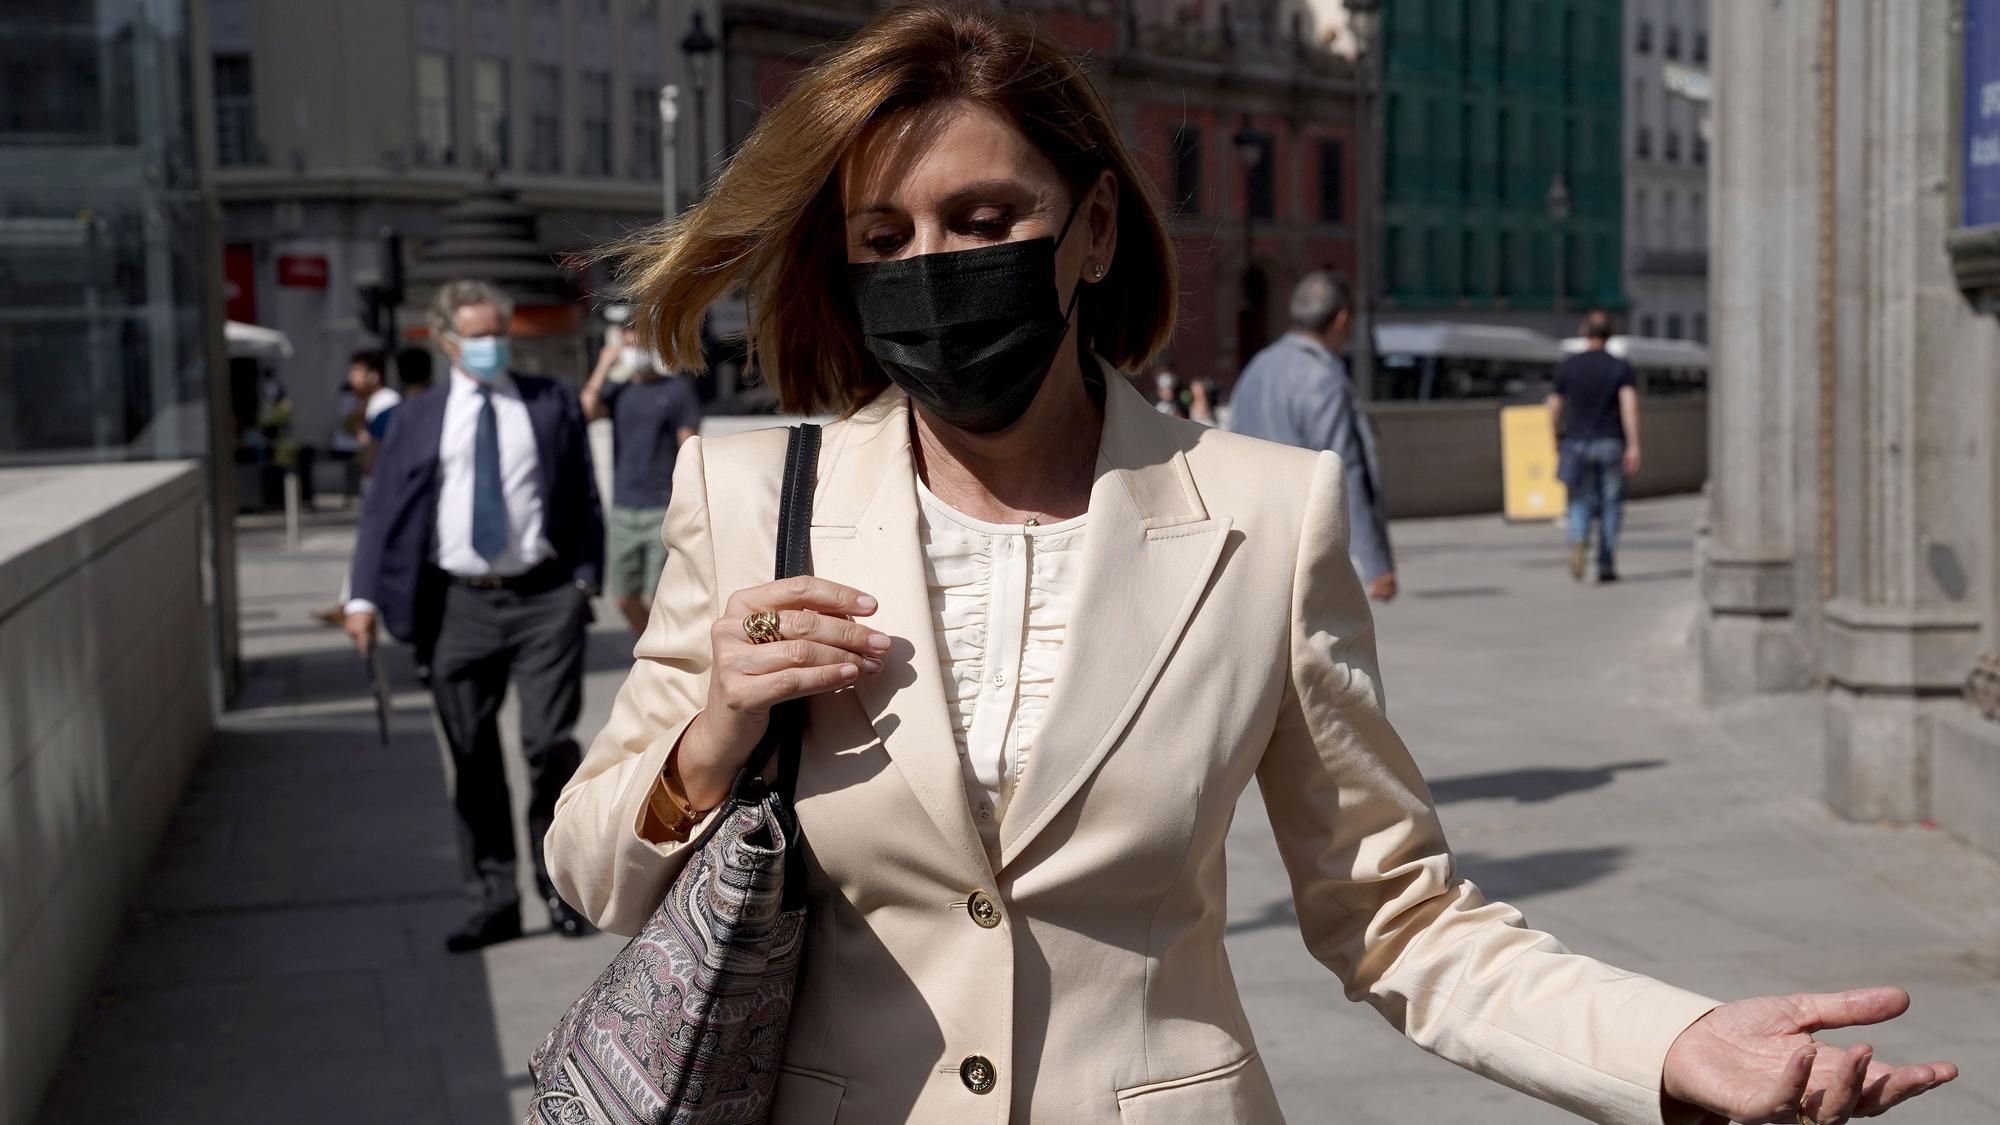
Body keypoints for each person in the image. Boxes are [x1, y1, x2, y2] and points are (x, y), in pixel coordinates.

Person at [545, 6, 1956, 1123]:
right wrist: (714, 730)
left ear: (1092, 230)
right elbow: (596, 873)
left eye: (983, 223)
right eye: (884, 239)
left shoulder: (1266, 515)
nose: (933, 268)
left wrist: (1671, 1041)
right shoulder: (746, 493)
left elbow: (1394, 915)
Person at [345, 279, 605, 952]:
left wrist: (584, 580)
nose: (490, 345)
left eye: (498, 332)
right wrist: (362, 597)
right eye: (477, 335)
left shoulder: (548, 403)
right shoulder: (416, 418)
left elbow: (581, 491)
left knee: (548, 747)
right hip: (455, 605)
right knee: (473, 757)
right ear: (445, 340)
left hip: (544, 598)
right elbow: (383, 513)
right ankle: (493, 900)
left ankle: (559, 888)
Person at [1229, 271, 1396, 601]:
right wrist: (1377, 564)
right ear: (1341, 320)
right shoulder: (1323, 379)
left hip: (1250, 544)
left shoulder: (1256, 368)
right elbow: (1343, 470)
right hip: (1305, 550)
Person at [580, 337, 702, 635]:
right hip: (623, 508)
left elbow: (689, 449)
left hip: (661, 507)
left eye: (641, 344)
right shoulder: (618, 391)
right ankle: (652, 650)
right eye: (629, 345)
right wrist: (603, 366)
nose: (636, 352)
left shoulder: (677, 390)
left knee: (661, 595)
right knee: (624, 598)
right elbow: (584, 413)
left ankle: (667, 654)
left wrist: (686, 502)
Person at [312, 350, 405, 627]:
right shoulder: (374, 403)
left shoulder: (387, 403)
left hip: (384, 487)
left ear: (374, 375)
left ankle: (353, 605)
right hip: (380, 486)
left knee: (374, 544)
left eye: (356, 372)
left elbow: (375, 453)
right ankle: (350, 603)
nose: (351, 378)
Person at [1548, 309, 1641, 583]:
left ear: (1583, 333)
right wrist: (1634, 445)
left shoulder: (1568, 366)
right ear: (1610, 335)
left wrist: (1556, 437)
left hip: (1576, 442)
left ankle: (1578, 538)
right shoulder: (1620, 367)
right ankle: (1605, 562)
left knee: (1579, 498)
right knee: (1611, 503)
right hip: (1611, 441)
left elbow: (1553, 406)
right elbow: (1630, 406)